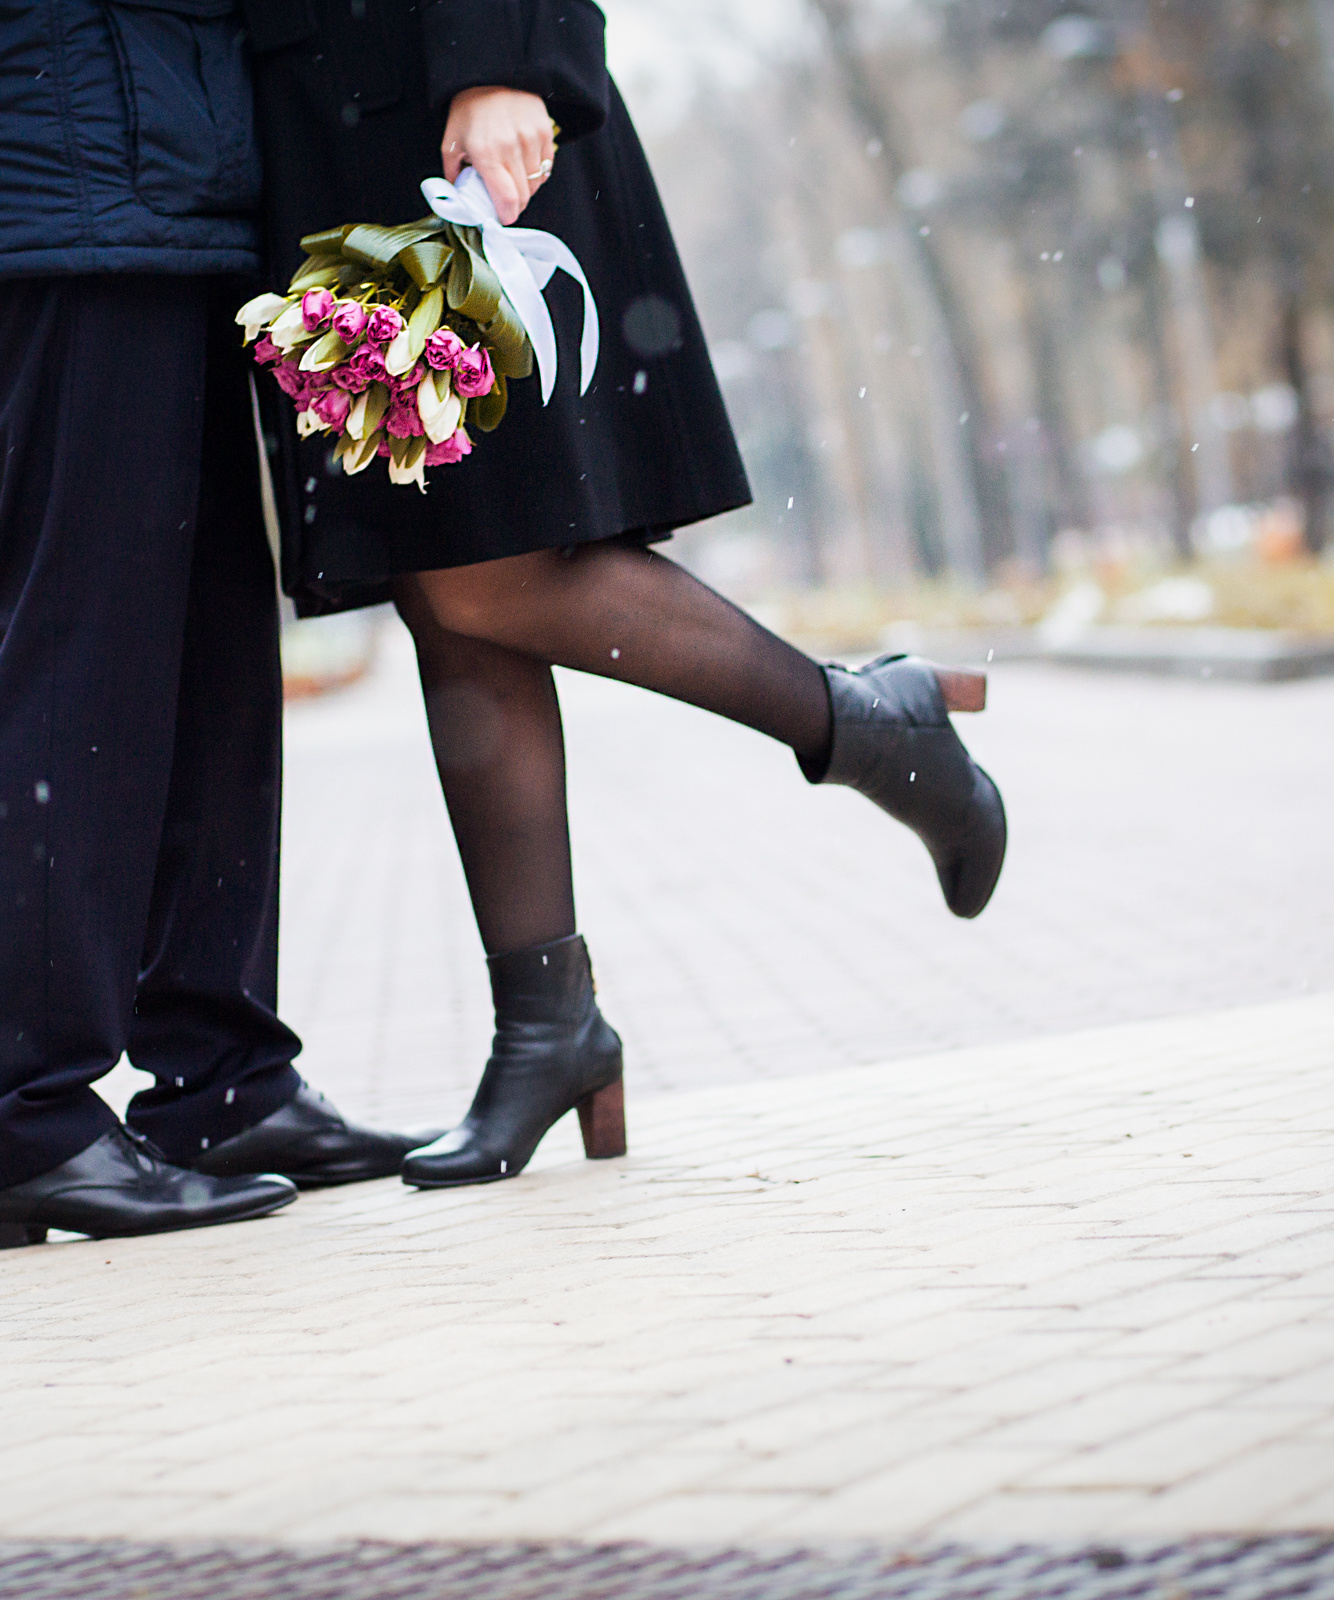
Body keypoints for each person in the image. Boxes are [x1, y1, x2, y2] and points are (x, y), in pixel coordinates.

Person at [242, 0, 1008, 1188]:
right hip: (320, 113)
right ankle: (549, 1032)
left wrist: (503, 58)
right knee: (443, 595)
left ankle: (859, 724)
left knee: (484, 572)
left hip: (458, 102)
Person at [0, 0, 431, 1253]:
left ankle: (221, 1079)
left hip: (144, 160)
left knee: (209, 645)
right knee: (88, 643)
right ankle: (21, 1118)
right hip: (47, 152)